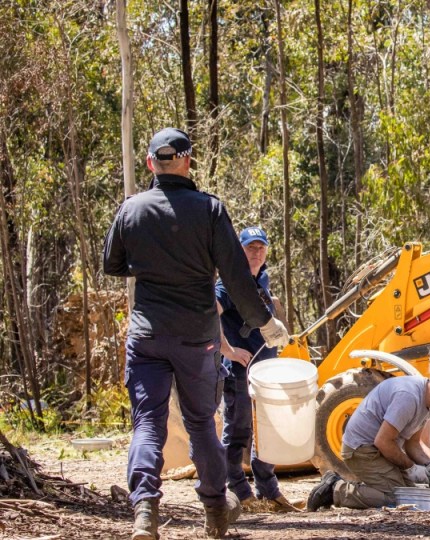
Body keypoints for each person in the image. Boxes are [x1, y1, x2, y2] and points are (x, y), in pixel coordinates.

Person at [103, 128, 290, 540]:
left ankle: (145, 513)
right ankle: (215, 513)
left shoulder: (131, 209)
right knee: (202, 422)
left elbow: (112, 264)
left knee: (147, 424)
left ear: (151, 163)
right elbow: (238, 278)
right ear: (188, 162)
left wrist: (153, 264)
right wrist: (266, 322)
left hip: (147, 334)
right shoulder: (208, 210)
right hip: (197, 337)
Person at [215, 226, 297, 513]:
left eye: (261, 248)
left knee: (269, 431)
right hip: (239, 372)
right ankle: (239, 490)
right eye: (250, 248)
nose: (256, 253)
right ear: (239, 251)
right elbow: (210, 313)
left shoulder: (262, 278)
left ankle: (269, 490)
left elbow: (269, 310)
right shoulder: (227, 284)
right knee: (237, 431)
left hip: (267, 372)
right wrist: (228, 350)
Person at [306, 374, 430, 511]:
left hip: (379, 450)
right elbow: (383, 442)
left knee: (412, 494)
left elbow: (412, 445)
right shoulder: (409, 397)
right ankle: (335, 489)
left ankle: (368, 487)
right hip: (361, 449)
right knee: (396, 497)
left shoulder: (427, 405)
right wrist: (412, 468)